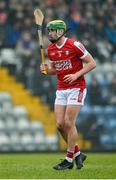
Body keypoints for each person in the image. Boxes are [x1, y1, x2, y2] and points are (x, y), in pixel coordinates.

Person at [40, 20, 96, 170]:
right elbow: (55, 69)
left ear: (60, 31)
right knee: (60, 125)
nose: (50, 33)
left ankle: (69, 160)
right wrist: (46, 70)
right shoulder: (51, 49)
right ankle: (78, 154)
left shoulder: (74, 45)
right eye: (49, 30)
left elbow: (92, 63)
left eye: (52, 30)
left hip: (76, 87)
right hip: (62, 89)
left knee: (68, 123)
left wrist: (76, 75)